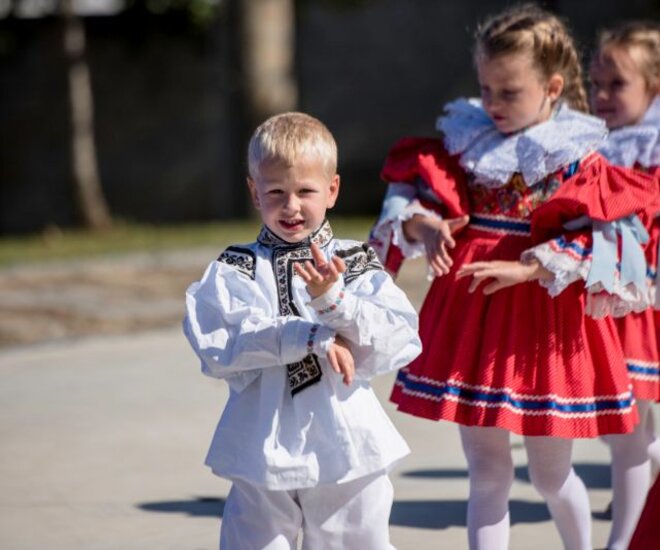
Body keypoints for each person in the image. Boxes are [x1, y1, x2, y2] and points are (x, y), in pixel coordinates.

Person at [368, 5, 659, 550]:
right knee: (487, 470)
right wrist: (427, 227)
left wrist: (528, 265)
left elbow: (614, 233)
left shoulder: (578, 153)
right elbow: (410, 194)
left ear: (551, 88)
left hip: (543, 323)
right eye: (486, 88)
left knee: (550, 476)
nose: (494, 104)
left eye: (509, 92)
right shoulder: (468, 139)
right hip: (474, 311)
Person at [183, 111, 421, 549]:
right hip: (263, 440)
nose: (291, 206)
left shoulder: (355, 262)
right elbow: (221, 345)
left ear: (332, 190)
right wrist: (308, 337)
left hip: (346, 442)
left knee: (354, 538)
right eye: (275, 191)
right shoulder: (236, 268)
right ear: (255, 192)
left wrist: (336, 303)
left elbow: (398, 334)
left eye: (305, 191)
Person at [588, 20, 660, 550]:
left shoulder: (652, 147)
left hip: (645, 295)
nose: (602, 95)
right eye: (596, 84)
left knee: (635, 419)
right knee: (628, 423)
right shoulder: (594, 145)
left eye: (617, 84)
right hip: (613, 298)